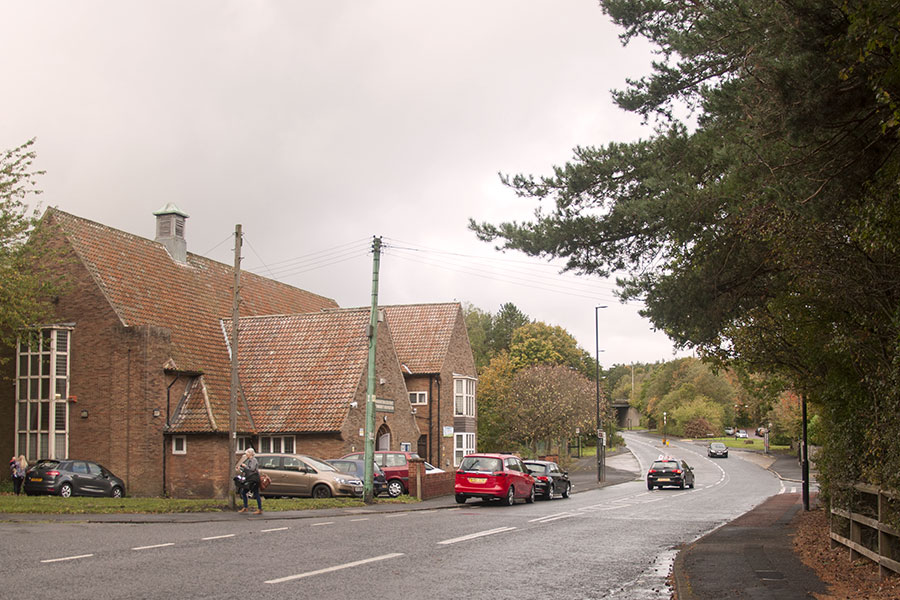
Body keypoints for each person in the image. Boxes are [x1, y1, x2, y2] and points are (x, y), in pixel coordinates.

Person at [236, 448, 262, 514]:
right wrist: (241, 468)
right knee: (244, 492)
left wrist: (245, 466)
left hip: (254, 479)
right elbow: (247, 470)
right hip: (250, 479)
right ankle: (245, 507)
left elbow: (251, 469)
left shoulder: (253, 460)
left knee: (256, 493)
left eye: (247, 453)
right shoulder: (250, 460)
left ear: (250, 453)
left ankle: (259, 509)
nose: (246, 454)